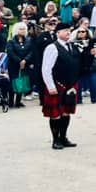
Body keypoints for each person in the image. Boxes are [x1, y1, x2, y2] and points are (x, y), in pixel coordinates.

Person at [40, 21, 80, 149]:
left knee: (66, 113)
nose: (68, 33)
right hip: (57, 85)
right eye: (65, 31)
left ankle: (63, 138)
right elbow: (46, 69)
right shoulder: (52, 47)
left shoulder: (72, 46)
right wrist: (50, 86)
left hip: (70, 85)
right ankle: (55, 140)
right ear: (58, 33)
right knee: (56, 114)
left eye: (69, 30)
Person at [5, 22, 33, 108]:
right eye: (21, 29)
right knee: (13, 82)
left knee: (22, 82)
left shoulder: (29, 40)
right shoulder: (11, 41)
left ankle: (18, 101)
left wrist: (25, 60)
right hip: (14, 65)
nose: (23, 30)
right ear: (16, 30)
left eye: (24, 29)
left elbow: (31, 52)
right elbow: (10, 53)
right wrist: (19, 61)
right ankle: (10, 102)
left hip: (25, 65)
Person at [73, 27, 96, 104]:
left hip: (91, 65)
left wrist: (93, 52)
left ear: (86, 33)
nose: (81, 33)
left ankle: (94, 98)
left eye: (83, 31)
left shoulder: (91, 42)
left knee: (94, 82)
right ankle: (78, 100)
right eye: (79, 32)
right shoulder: (74, 43)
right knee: (78, 83)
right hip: (79, 66)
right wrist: (88, 52)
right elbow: (76, 54)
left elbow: (95, 53)